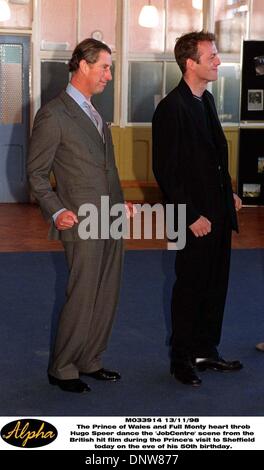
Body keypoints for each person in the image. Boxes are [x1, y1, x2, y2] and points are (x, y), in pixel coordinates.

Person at [27, 38, 126, 393]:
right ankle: (63, 366)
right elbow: (36, 173)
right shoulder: (54, 114)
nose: (109, 76)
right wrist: (56, 211)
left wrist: (120, 203)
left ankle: (90, 359)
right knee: (83, 293)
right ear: (83, 65)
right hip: (80, 219)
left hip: (111, 217)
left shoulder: (94, 112)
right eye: (104, 67)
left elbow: (105, 169)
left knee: (106, 291)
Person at [152, 31, 243, 386]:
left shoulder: (205, 100)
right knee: (189, 287)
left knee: (215, 284)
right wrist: (191, 217)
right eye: (212, 57)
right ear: (191, 64)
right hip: (192, 219)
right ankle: (181, 359)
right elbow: (167, 172)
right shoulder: (170, 108)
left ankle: (206, 350)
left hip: (218, 213)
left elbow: (215, 156)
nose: (218, 61)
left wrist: (229, 193)